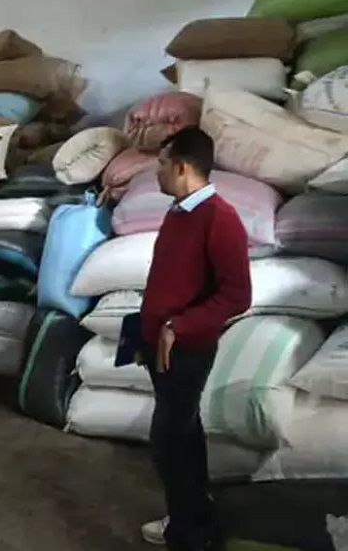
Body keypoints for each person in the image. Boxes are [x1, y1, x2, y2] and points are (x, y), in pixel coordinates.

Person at [139, 126, 251, 551]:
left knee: (169, 442)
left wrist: (177, 327)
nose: (157, 172)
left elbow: (237, 296)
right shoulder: (179, 212)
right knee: (184, 434)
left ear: (182, 167)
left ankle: (186, 535)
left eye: (162, 164)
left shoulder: (220, 218)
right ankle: (193, 517)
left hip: (188, 348)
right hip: (162, 347)